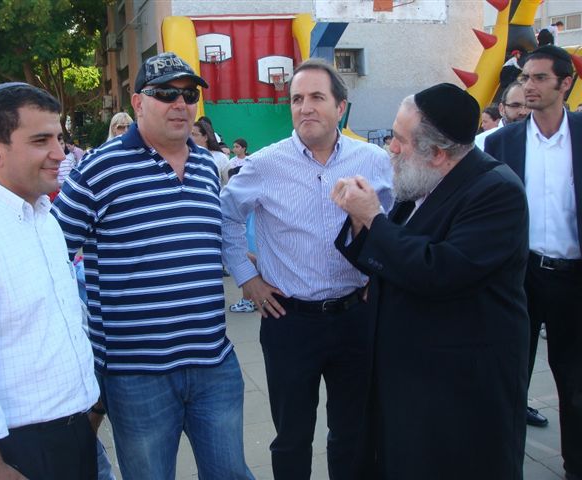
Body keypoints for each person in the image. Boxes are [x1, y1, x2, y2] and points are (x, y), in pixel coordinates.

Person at [52, 52, 252, 480]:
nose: (180, 103)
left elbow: (203, 243)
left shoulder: (206, 166)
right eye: (165, 93)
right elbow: (51, 256)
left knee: (231, 474)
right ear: (138, 102)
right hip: (136, 375)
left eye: (189, 94)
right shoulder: (100, 168)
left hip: (213, 363)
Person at [332, 83, 529, 479]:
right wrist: (359, 223)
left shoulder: (496, 191)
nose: (391, 147)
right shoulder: (422, 179)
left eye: (400, 140)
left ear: (438, 153)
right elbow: (393, 257)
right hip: (413, 377)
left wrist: (373, 219)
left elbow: (439, 270)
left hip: (461, 387)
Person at [221, 58, 393, 479]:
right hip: (290, 322)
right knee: (292, 435)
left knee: (353, 432)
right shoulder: (264, 164)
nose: (305, 107)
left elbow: (397, 221)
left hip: (355, 317)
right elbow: (225, 217)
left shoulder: (374, 160)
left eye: (317, 97)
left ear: (341, 107)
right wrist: (247, 278)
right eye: (297, 99)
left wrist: (382, 275)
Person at [0, 82, 100, 479]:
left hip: (72, 435)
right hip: (12, 450)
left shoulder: (46, 220)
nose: (59, 153)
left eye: (59, 138)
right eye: (41, 140)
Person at [485, 45, 582, 480]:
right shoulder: (501, 143)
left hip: (574, 280)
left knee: (575, 386)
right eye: (525, 77)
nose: (528, 86)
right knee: (509, 382)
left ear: (566, 83)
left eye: (540, 77)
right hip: (518, 279)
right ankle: (505, 468)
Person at [474, 81, 529, 149]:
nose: (523, 112)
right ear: (502, 109)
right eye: (515, 105)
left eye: (529, 106)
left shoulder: (539, 141)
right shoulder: (480, 142)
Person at [191, 119, 229, 185]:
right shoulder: (188, 156)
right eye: (190, 134)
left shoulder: (220, 158)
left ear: (205, 137)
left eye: (194, 135)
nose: (190, 138)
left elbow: (229, 183)